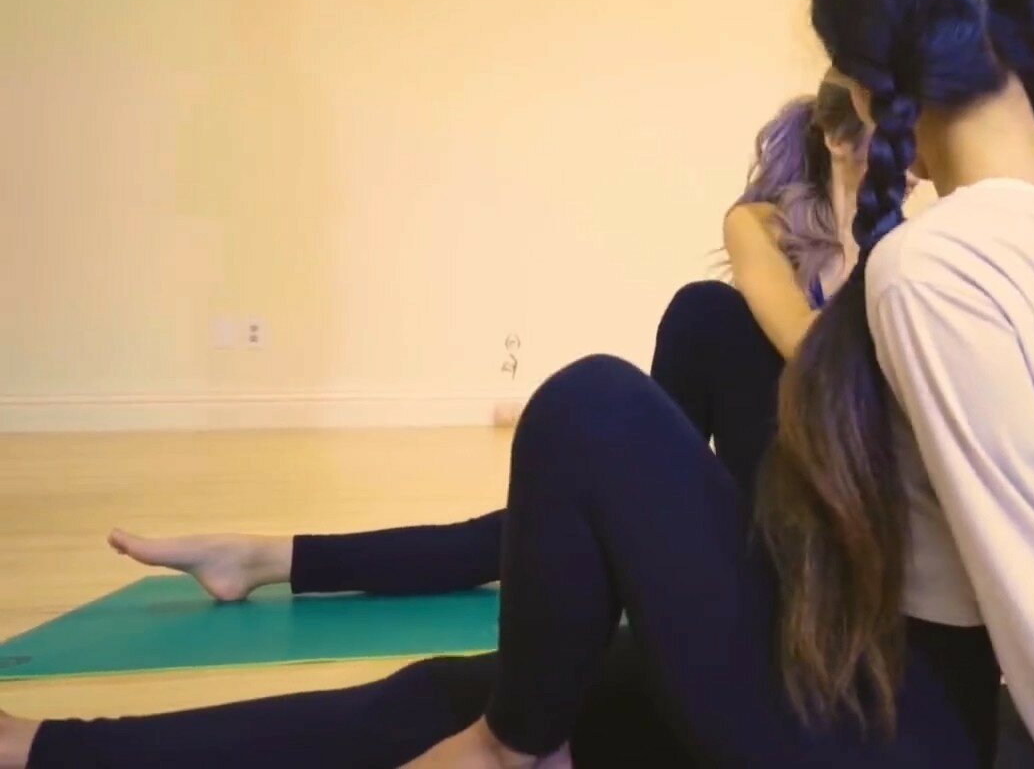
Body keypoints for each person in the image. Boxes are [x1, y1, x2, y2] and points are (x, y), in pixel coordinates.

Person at [0, 0, 1034, 766]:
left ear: (873, 83)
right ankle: (56, 750)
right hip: (851, 634)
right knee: (698, 342)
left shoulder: (935, 272)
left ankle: (511, 750)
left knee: (591, 407)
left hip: (873, 726)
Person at [99, 78, 876, 606]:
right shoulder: (761, 226)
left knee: (565, 525)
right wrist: (851, 224)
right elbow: (811, 353)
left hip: (861, 526)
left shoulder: (910, 242)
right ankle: (263, 558)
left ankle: (261, 559)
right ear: (838, 138)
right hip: (763, 512)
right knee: (702, 316)